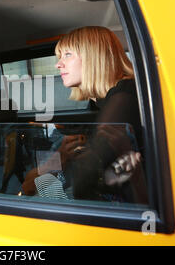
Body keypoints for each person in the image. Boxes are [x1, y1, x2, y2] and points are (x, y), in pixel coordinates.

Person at [22, 26, 147, 203]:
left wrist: (60, 163)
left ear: (93, 56)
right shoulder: (101, 103)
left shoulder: (124, 94)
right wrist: (61, 158)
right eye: (59, 57)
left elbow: (84, 183)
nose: (58, 64)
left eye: (67, 55)